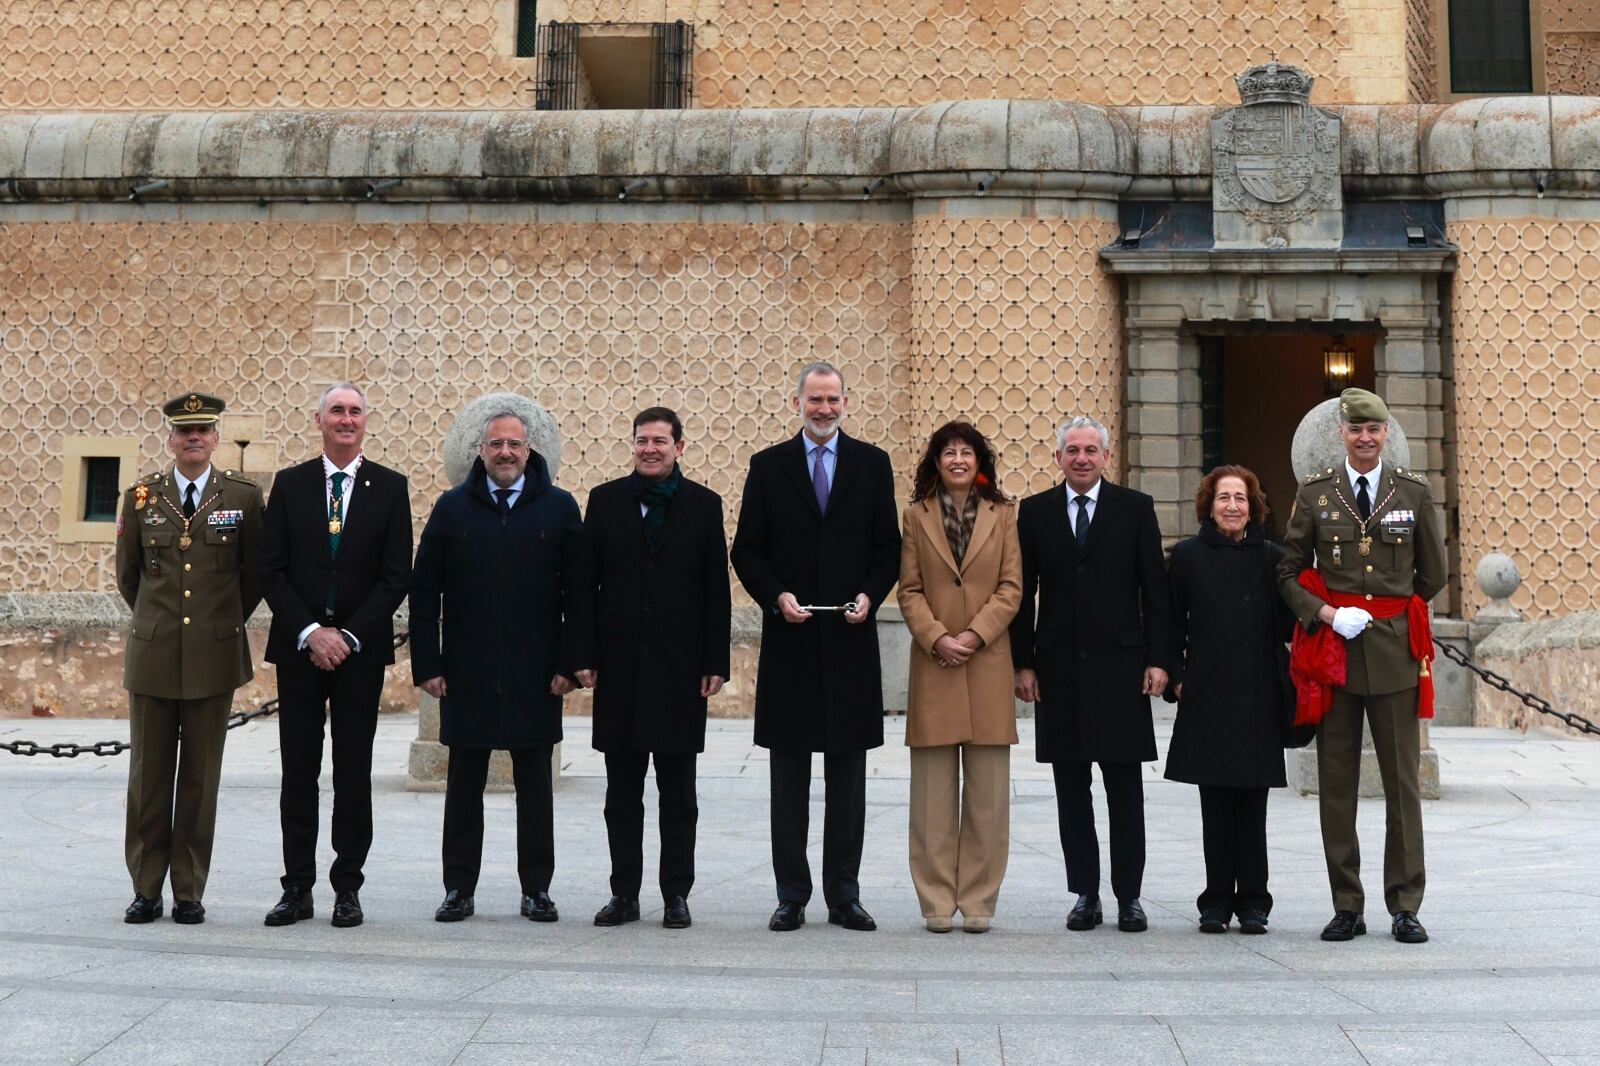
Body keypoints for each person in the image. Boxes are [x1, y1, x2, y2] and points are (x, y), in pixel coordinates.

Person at [730, 361, 901, 933]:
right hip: (792, 642)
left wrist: (870, 596)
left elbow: (887, 549)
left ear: (846, 403)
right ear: (797, 403)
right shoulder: (768, 466)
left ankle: (844, 894)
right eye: (814, 400)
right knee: (789, 780)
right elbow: (747, 550)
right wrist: (776, 594)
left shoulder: (873, 465)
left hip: (850, 643)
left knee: (848, 781)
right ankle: (791, 894)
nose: (823, 409)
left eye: (832, 400)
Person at [1278, 387, 1447, 944]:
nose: (1366, 439)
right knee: (1337, 783)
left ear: (1386, 434)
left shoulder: (1414, 494)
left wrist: (1388, 612)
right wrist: (1327, 613)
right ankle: (1346, 903)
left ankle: (1405, 904)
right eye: (1356, 430)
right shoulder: (1317, 494)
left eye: (1374, 430)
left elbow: (1433, 575)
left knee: (1402, 784)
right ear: (1343, 434)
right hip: (1337, 654)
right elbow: (1289, 571)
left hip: (1395, 653)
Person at [410, 408, 586, 924]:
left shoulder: (558, 509)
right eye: (495, 445)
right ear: (480, 452)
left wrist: (570, 665)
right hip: (468, 672)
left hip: (537, 673)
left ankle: (537, 889)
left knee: (535, 786)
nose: (505, 453)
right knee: (464, 783)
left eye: (514, 444)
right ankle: (459, 888)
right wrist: (429, 665)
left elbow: (577, 594)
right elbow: (424, 592)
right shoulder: (451, 509)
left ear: (529, 452)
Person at [259, 383, 412, 929]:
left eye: (355, 412)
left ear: (365, 422)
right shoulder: (291, 484)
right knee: (298, 772)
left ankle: (348, 887)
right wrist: (309, 631)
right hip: (299, 652)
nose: (346, 420)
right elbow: (270, 569)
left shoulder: (391, 488)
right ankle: (296, 887)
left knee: (353, 771)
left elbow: (396, 575)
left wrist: (345, 634)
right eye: (336, 412)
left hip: (359, 654)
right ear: (318, 419)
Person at [573, 407, 731, 930]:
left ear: (679, 447)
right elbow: (584, 584)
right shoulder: (605, 500)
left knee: (678, 795)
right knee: (622, 794)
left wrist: (715, 661)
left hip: (680, 668)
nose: (650, 449)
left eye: (660, 441)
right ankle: (624, 893)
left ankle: (676, 894)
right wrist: (584, 654)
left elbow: (716, 591)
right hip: (618, 668)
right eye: (642, 440)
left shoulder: (704, 506)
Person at [1010, 415, 1170, 933]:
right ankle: (1085, 893)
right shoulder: (1035, 513)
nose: (1081, 458)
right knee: (1071, 790)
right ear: (1057, 458)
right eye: (1072, 451)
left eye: (1090, 450)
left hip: (1122, 670)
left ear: (1107, 456)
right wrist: (1024, 662)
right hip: (1058, 672)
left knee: (1125, 790)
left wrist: (1159, 659)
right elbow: (1021, 595)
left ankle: (1129, 897)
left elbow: (1157, 592)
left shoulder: (1135, 509)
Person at [115, 391, 264, 925]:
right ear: (171, 439)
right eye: (184, 431)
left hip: (213, 657)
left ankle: (189, 889)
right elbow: (128, 577)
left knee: (200, 781)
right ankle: (146, 887)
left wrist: (217, 626)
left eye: (203, 431)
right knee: (148, 778)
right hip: (154, 658)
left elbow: (253, 577)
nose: (193, 438)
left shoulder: (244, 497)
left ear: (217, 438)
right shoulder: (140, 496)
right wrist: (159, 626)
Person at [896, 421, 1021, 934]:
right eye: (947, 452)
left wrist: (973, 635)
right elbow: (909, 589)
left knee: (988, 797)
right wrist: (937, 637)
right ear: (935, 461)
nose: (957, 460)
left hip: (986, 662)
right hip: (935, 663)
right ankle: (935, 901)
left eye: (966, 452)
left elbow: (1012, 587)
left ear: (980, 461)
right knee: (932, 795)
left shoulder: (1005, 515)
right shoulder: (916, 515)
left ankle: (978, 901)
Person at [1164, 465, 1294, 935]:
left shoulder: (1273, 558)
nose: (1233, 506)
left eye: (1241, 498)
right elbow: (1169, 623)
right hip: (1207, 695)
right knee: (1214, 806)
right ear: (1209, 505)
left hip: (1257, 694)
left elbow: (1289, 625)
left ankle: (1255, 903)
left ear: (1253, 506)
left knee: (1253, 808)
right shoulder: (1187, 557)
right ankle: (1215, 901)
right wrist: (1177, 677)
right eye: (1224, 498)